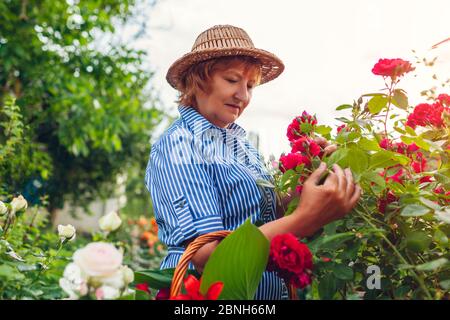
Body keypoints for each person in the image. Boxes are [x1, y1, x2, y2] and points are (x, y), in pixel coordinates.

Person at [145, 25, 361, 300]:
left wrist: (310, 182)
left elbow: (262, 216)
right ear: (197, 80)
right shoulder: (180, 145)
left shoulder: (240, 144)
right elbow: (206, 257)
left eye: (249, 86)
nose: (243, 96)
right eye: (232, 80)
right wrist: (305, 218)